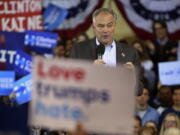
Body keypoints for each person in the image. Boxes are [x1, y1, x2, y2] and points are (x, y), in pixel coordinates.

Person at [70, 8, 142, 96]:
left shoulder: (130, 52)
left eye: (109, 25)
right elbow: (70, 85)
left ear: (115, 26)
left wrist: (132, 78)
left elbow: (139, 91)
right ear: (94, 27)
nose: (105, 30)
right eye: (100, 26)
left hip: (118, 106)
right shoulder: (79, 50)